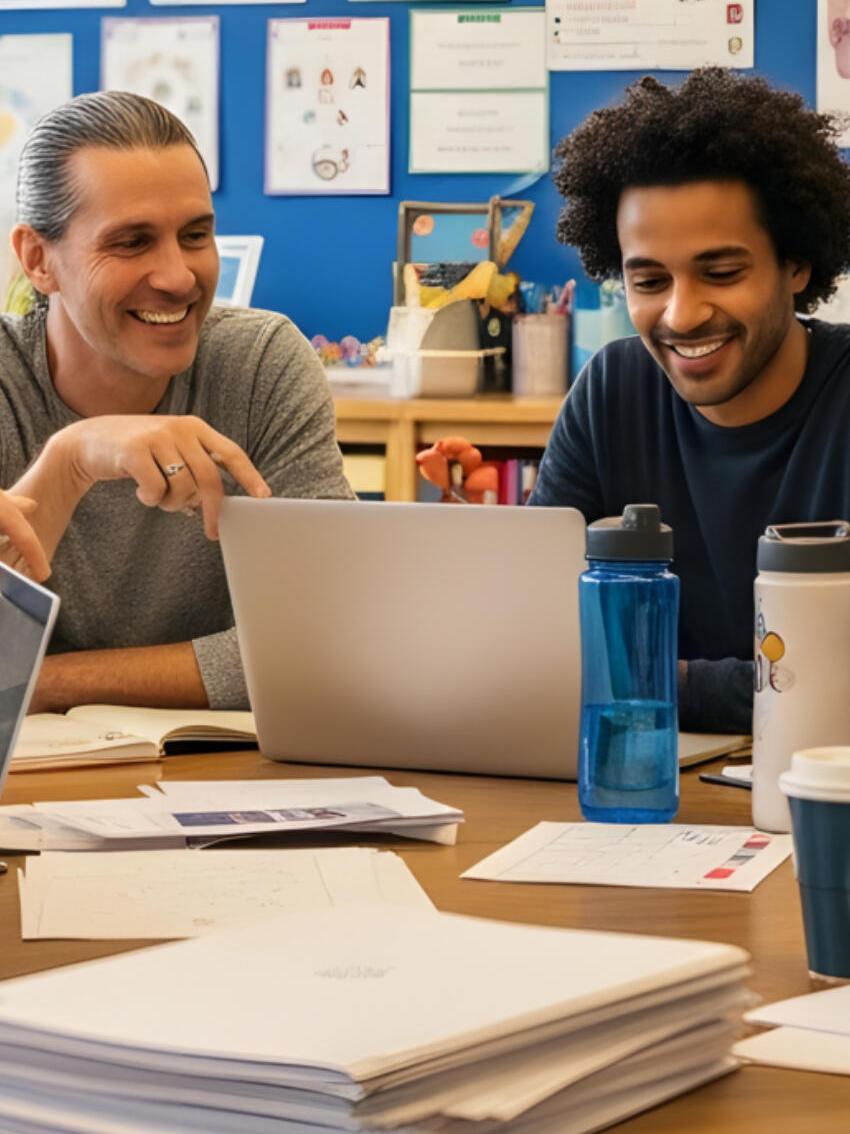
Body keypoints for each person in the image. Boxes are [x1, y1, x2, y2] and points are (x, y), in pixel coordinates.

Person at [424, 68, 850, 733]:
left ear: (796, 264)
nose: (681, 314)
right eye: (649, 280)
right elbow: (539, 642)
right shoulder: (612, 390)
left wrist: (650, 679)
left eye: (723, 273)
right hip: (650, 789)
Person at [2, 91, 352, 715]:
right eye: (132, 242)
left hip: (228, 780)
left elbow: (329, 638)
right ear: (38, 259)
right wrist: (69, 461)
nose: (179, 277)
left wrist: (44, 684)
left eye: (195, 235)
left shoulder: (261, 365)